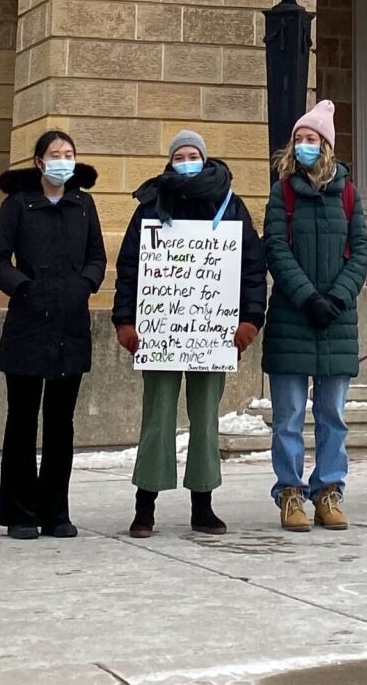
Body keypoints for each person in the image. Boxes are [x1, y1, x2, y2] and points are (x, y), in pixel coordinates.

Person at [113, 129, 265, 539]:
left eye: (191, 154)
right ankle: (145, 507)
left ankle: (203, 505)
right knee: (157, 418)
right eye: (179, 155)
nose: (186, 160)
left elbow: (252, 267)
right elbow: (130, 267)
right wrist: (125, 321)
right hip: (160, 334)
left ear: (204, 157)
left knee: (206, 419)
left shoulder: (231, 205)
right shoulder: (151, 203)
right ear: (170, 161)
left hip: (212, 334)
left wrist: (250, 320)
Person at [0, 126, 106, 540]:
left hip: (69, 324)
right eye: (55, 153)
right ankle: (19, 511)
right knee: (21, 419)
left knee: (61, 422)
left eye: (69, 153)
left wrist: (84, 285)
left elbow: (97, 257)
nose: (63, 160)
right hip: (27, 322)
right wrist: (23, 287)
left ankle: (56, 510)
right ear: (39, 161)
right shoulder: (18, 205)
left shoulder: (83, 204)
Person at [262, 101, 367, 533]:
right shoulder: (282, 191)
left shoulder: (348, 193)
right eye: (299, 139)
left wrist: (339, 297)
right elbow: (276, 248)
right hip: (293, 318)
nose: (304, 146)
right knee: (288, 416)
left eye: (312, 139)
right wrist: (307, 297)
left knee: (332, 416)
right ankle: (290, 492)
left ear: (326, 145)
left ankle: (328, 490)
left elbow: (360, 250)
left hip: (336, 321)